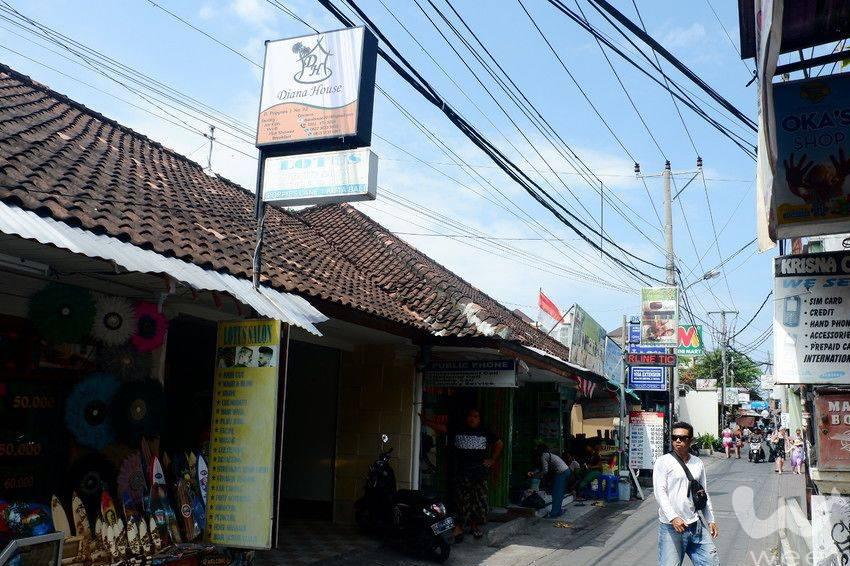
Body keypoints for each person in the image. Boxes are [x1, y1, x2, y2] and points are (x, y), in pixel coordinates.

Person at [653, 421, 719, 566]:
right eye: (674, 437)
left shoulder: (697, 463)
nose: (677, 440)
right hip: (672, 527)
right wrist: (673, 517)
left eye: (682, 438)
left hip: (695, 525)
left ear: (690, 440)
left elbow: (703, 493)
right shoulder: (663, 462)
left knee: (711, 563)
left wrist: (710, 519)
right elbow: (660, 492)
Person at [450, 408, 503, 540]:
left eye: (475, 416)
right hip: (462, 472)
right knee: (462, 501)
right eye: (470, 416)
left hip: (479, 473)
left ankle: (474, 527)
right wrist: (424, 420)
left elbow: (499, 443)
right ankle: (459, 527)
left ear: (479, 419)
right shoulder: (458, 429)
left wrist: (492, 459)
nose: (472, 419)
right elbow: (443, 428)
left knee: (478, 502)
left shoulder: (485, 431)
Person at [528, 444, 570, 518]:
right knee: (559, 492)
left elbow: (545, 470)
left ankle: (554, 513)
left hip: (561, 472)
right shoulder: (548, 454)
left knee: (556, 493)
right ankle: (558, 511)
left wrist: (536, 475)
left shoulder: (543, 456)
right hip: (565, 471)